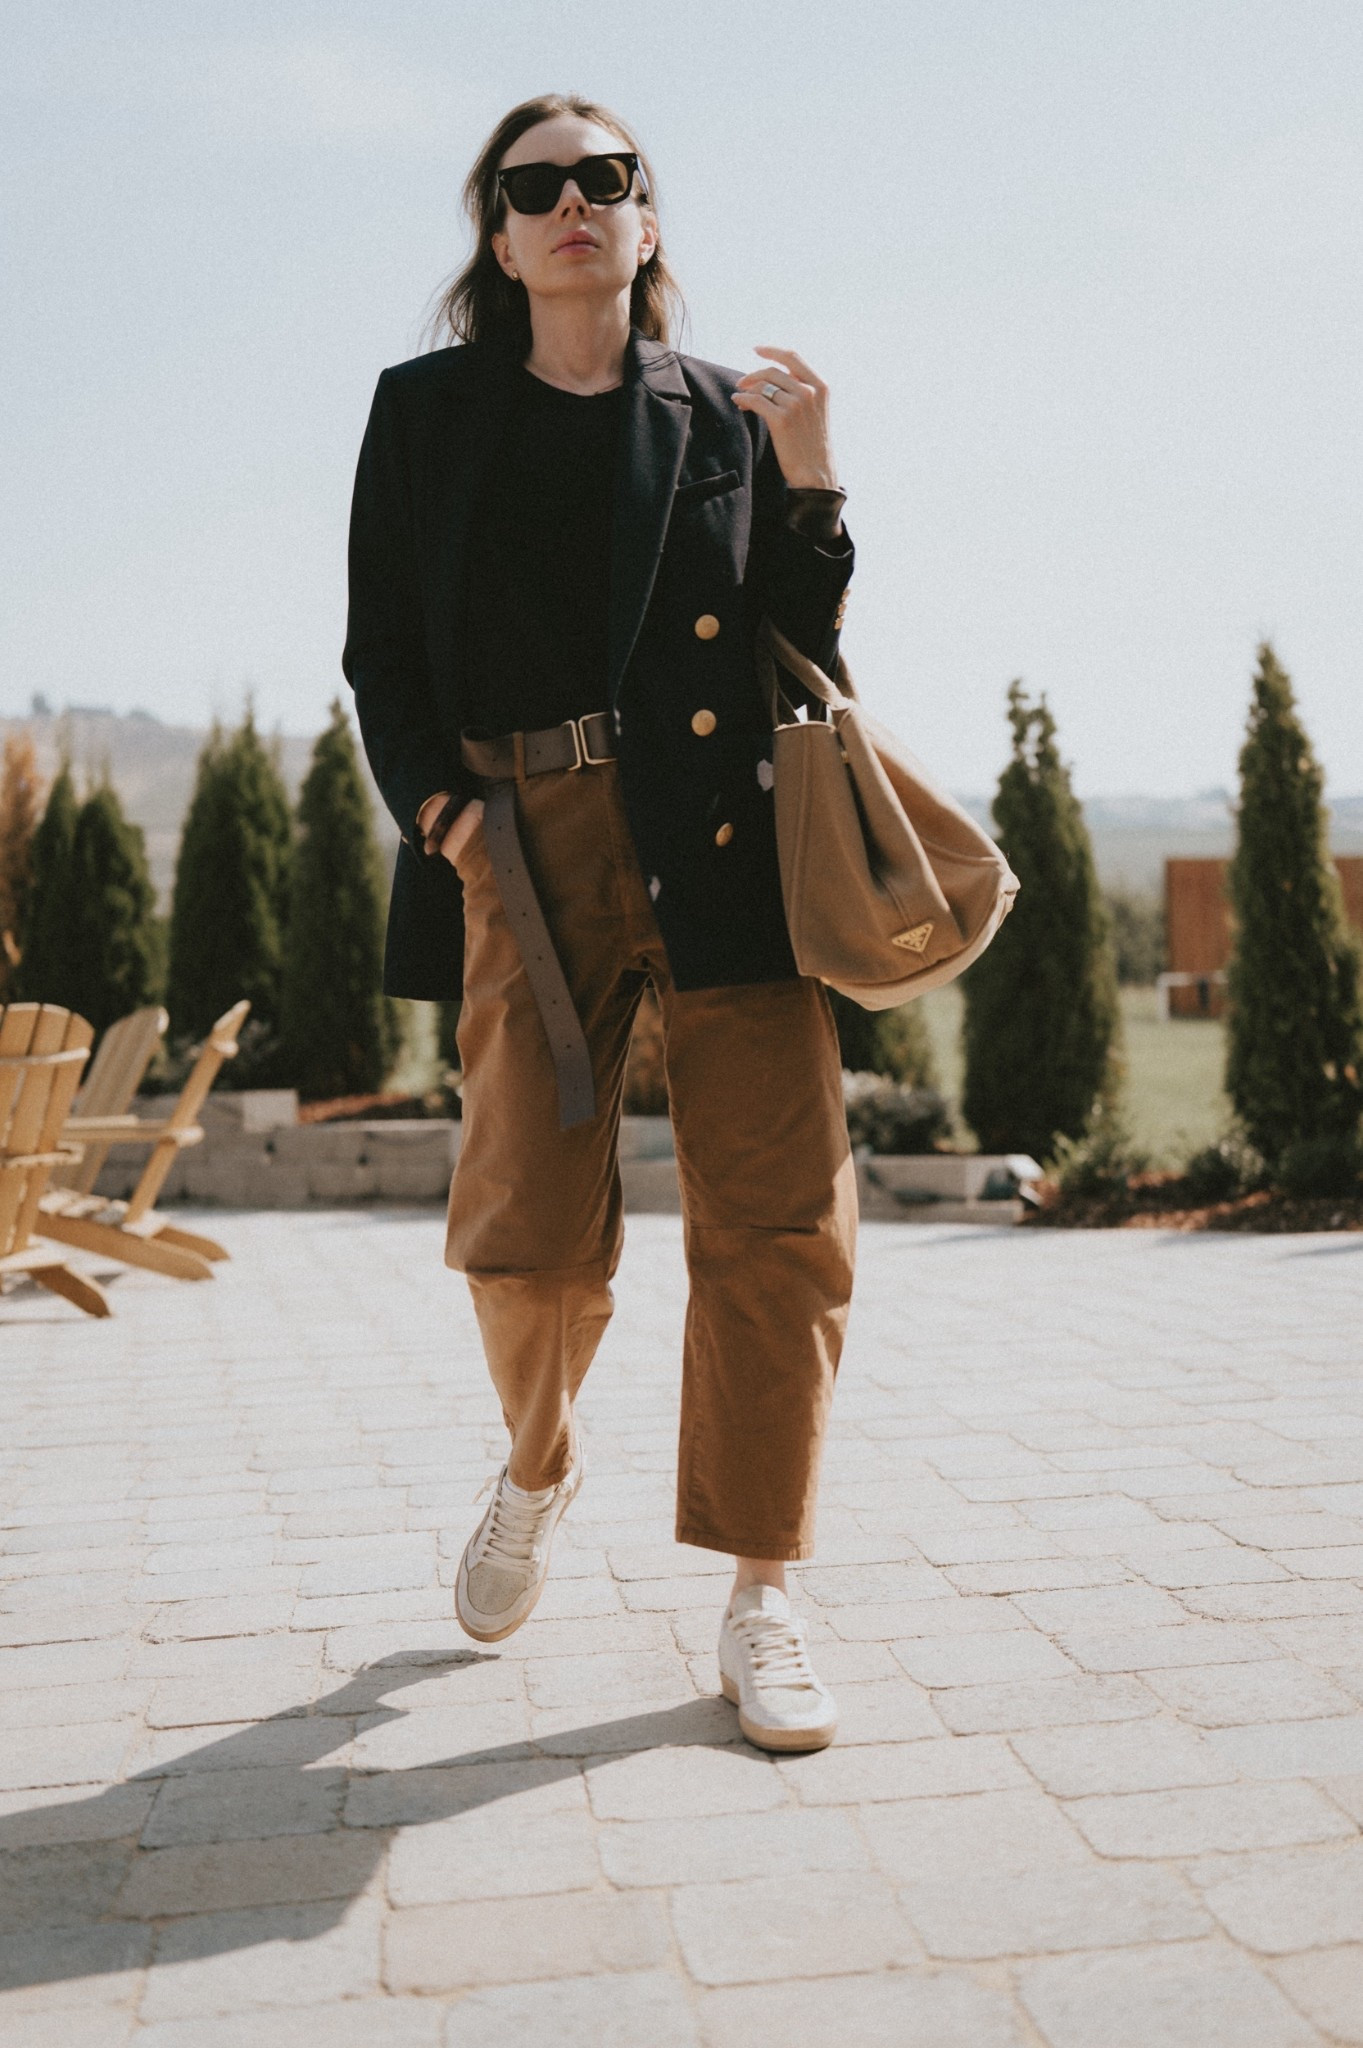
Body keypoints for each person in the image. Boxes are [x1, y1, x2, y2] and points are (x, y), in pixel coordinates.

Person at [343, 93, 857, 1752]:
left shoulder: (720, 414)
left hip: (723, 837)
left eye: (607, 180)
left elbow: (801, 640)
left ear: (645, 224)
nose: (576, 204)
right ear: (499, 234)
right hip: (527, 842)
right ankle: (540, 1464)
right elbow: (380, 656)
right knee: (527, 1241)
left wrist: (814, 484)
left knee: (779, 1222)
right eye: (536, 186)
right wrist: (446, 813)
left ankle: (763, 1594)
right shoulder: (424, 417)